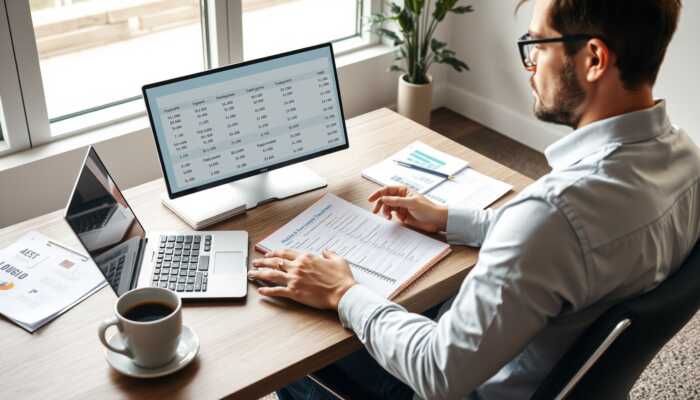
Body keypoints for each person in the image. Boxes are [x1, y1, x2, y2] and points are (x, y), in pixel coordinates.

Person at [247, 0, 698, 398]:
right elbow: (578, 247)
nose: (531, 64)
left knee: (295, 338)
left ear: (594, 58)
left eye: (539, 46)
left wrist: (344, 292)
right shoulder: (686, 162)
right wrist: (449, 218)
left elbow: (437, 374)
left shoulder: (554, 214)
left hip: (465, 385)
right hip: (556, 369)